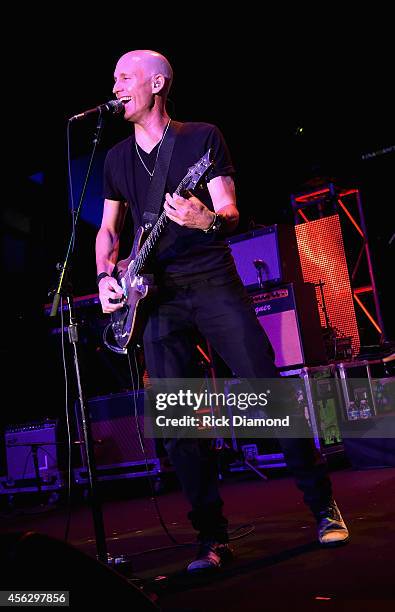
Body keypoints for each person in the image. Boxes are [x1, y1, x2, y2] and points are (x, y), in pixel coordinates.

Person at [96, 50, 349, 571]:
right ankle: (211, 538)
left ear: (157, 83)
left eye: (125, 78)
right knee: (179, 420)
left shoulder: (200, 138)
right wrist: (105, 276)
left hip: (211, 281)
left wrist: (205, 218)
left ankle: (323, 505)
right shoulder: (117, 158)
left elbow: (229, 210)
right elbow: (108, 231)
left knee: (265, 389)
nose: (115, 86)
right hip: (157, 297)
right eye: (114, 79)